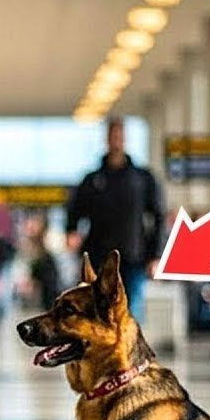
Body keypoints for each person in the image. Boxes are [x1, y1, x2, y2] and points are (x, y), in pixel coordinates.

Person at [66, 117, 166, 321]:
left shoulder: (142, 179)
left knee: (129, 313)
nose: (116, 140)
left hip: (134, 256)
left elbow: (158, 217)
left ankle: (126, 352)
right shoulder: (92, 180)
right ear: (107, 139)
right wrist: (71, 231)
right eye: (112, 136)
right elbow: (75, 211)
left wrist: (156, 255)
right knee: (99, 313)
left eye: (120, 136)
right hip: (98, 257)